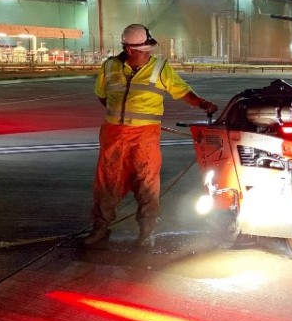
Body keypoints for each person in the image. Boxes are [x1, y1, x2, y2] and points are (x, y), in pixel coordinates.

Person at [83, 24, 218, 248]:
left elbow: (182, 91)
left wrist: (203, 104)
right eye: (143, 49)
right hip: (113, 133)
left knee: (147, 182)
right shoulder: (109, 67)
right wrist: (120, 115)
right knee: (107, 182)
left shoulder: (160, 68)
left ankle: (147, 231)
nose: (147, 53)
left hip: (145, 136)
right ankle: (100, 227)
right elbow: (102, 95)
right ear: (129, 49)